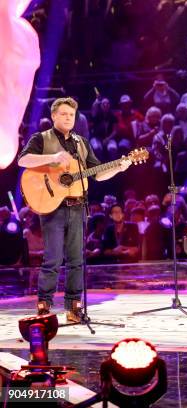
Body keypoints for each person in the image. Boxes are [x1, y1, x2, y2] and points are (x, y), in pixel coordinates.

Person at [17, 97, 130, 321]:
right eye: (64, 114)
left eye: (71, 115)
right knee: (53, 259)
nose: (69, 118)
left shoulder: (82, 143)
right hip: (53, 208)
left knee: (76, 259)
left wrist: (118, 167)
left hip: (78, 207)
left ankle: (73, 308)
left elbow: (97, 173)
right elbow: (23, 160)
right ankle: (44, 306)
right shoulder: (42, 138)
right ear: (54, 116)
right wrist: (53, 157)